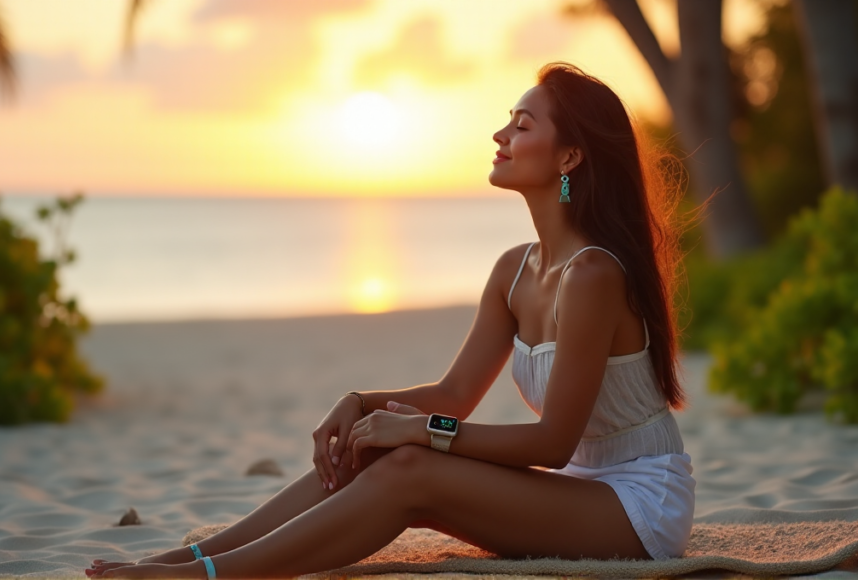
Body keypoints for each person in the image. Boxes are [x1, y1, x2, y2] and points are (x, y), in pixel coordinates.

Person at [86, 61, 696, 580]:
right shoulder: (514, 270)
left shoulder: (592, 276)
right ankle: (185, 559)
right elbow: (455, 396)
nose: (499, 133)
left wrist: (420, 432)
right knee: (371, 449)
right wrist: (363, 402)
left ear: (569, 155)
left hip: (637, 504)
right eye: (507, 120)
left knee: (407, 461)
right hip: (577, 486)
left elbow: (550, 441)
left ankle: (202, 577)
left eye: (522, 124)